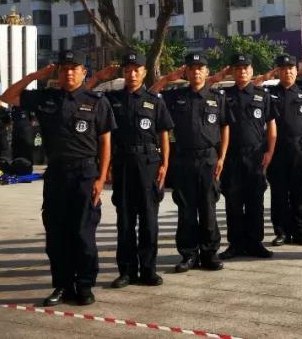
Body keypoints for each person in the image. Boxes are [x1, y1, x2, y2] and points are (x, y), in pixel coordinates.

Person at [1, 51, 113, 307]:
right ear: (58, 73)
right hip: (57, 175)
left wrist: (101, 178)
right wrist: (35, 76)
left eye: (74, 68)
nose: (69, 73)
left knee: (83, 234)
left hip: (85, 174)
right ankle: (62, 285)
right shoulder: (46, 98)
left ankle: (84, 286)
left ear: (84, 72)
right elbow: (7, 97)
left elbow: (105, 141)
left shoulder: (97, 101)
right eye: (64, 69)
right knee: (56, 235)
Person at [96, 52, 173, 287]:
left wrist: (165, 164)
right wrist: (99, 77)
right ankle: (127, 271)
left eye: (136, 69)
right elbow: (86, 95)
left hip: (148, 163)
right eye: (128, 70)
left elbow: (163, 134)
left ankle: (149, 270)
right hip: (122, 163)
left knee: (149, 220)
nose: (132, 74)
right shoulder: (112, 99)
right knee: (125, 221)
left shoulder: (155, 100)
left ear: (144, 72)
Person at [155, 52, 231, 272]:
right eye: (191, 68)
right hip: (183, 159)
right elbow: (149, 96)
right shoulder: (175, 96)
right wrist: (167, 79)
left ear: (207, 72)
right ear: (186, 72)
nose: (196, 72)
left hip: (209, 158)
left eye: (200, 68)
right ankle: (188, 254)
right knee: (186, 209)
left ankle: (209, 253)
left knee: (208, 207)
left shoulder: (217, 97)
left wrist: (222, 157)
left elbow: (225, 127)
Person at [217, 54, 276, 259]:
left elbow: (271, 126)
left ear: (251, 71)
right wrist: (216, 77)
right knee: (233, 202)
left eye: (246, 68)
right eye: (238, 68)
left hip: (255, 156)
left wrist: (270, 152)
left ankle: (254, 243)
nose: (242, 71)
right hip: (232, 157)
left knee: (255, 201)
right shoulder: (223, 95)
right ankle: (235, 244)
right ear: (232, 72)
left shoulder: (262, 95)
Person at [267, 54, 302, 246]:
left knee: (299, 192)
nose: (287, 72)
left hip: (300, 149)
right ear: (278, 72)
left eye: (291, 68)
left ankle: (300, 231)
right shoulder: (269, 94)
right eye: (283, 69)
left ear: (296, 71)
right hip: (277, 150)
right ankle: (281, 232)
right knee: (279, 194)